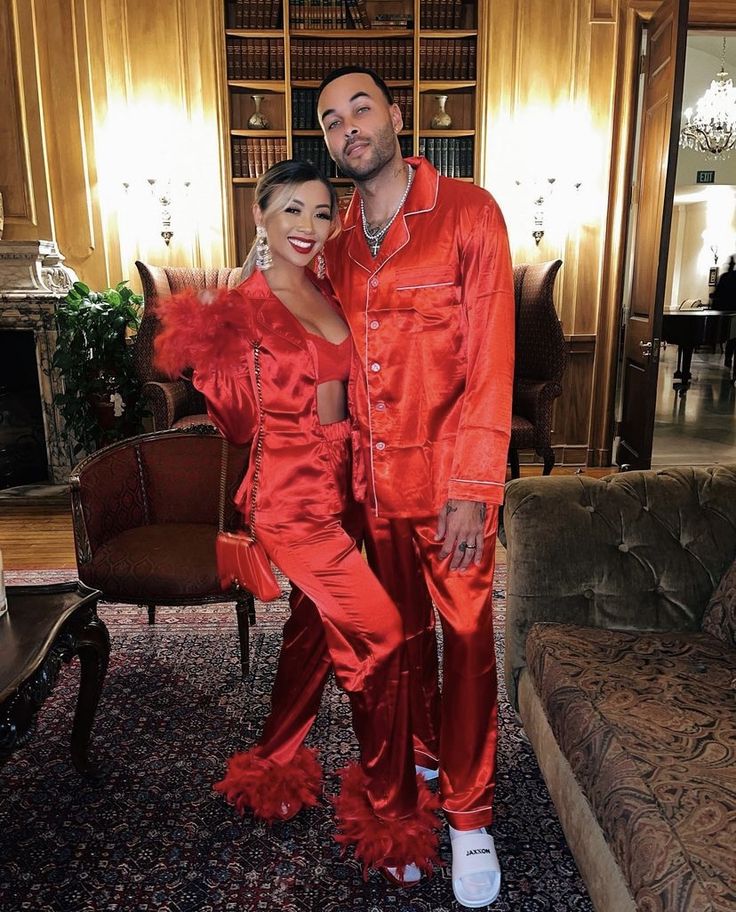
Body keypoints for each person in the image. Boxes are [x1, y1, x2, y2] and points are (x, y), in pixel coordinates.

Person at [154, 160, 439, 887]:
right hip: (290, 499)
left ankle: (277, 761)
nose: (308, 228)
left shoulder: (323, 284)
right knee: (380, 634)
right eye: (291, 212)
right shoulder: (241, 307)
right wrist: (213, 348)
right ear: (260, 217)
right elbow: (238, 423)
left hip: (347, 484)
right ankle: (389, 811)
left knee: (314, 630)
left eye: (320, 212)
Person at [316, 67, 515, 908]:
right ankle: (425, 756)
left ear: (398, 116)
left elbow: (492, 362)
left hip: (450, 487)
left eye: (360, 107)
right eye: (329, 120)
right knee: (396, 647)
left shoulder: (469, 213)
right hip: (373, 486)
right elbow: (320, 363)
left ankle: (470, 817)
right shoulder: (334, 247)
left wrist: (474, 485)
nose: (347, 126)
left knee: (466, 648)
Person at [711, 255, 736, 369]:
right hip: (733, 311)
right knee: (733, 338)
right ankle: (729, 360)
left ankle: (728, 358)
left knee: (730, 337)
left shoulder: (724, 277)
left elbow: (716, 294)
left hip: (726, 312)